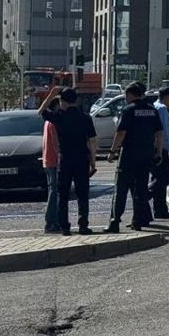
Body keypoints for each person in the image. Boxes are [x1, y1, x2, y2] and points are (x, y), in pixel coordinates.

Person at [105, 82, 163, 233]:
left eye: (126, 95)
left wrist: (112, 151)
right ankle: (137, 221)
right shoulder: (152, 110)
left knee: (121, 190)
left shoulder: (129, 110)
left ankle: (115, 221)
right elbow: (159, 133)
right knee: (141, 190)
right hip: (146, 155)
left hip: (129, 155)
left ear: (131, 95)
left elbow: (121, 133)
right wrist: (158, 151)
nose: (125, 98)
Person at [40, 88, 98, 235]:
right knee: (82, 194)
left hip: (65, 160)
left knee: (63, 195)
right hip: (81, 159)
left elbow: (41, 111)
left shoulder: (59, 116)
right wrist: (93, 161)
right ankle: (83, 225)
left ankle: (65, 227)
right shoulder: (85, 117)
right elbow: (92, 141)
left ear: (62, 102)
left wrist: (52, 94)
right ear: (77, 100)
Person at [148, 87, 169, 219]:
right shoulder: (162, 109)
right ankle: (145, 195)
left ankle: (160, 210)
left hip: (152, 147)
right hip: (160, 148)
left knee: (157, 177)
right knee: (167, 176)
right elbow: (163, 131)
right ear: (168, 97)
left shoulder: (154, 106)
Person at [41, 98, 61, 234]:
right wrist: (61, 157)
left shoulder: (47, 122)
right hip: (54, 161)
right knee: (55, 192)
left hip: (47, 160)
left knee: (53, 191)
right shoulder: (53, 122)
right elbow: (55, 143)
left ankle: (52, 221)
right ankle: (52, 222)